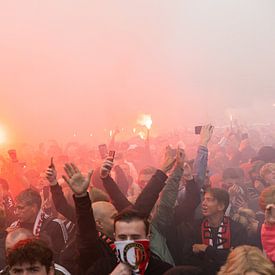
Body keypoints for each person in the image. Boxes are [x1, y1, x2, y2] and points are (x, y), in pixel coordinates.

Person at [62, 163, 172, 274]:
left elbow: (141, 206)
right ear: (115, 237)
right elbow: (87, 240)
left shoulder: (164, 271)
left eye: (135, 237)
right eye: (123, 237)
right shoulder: (104, 267)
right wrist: (81, 198)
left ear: (148, 237)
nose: (129, 243)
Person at [9, 188, 68, 263]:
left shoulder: (55, 225)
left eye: (20, 208)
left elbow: (63, 258)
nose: (16, 212)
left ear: (34, 208)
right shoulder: (14, 227)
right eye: (15, 208)